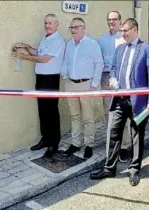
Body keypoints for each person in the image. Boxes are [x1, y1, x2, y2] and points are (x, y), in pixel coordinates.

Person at [90, 18, 149, 186]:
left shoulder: (148, 49)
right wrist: (112, 79)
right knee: (113, 133)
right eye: (121, 31)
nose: (123, 34)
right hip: (119, 100)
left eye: (125, 30)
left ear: (135, 29)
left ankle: (134, 169)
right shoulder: (120, 49)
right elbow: (113, 68)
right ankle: (109, 168)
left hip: (139, 102)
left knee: (136, 135)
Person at [13, 14, 65, 158]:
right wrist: (27, 47)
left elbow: (44, 59)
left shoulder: (58, 41)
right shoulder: (46, 38)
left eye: (50, 23)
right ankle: (46, 138)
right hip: (41, 79)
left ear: (56, 25)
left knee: (51, 111)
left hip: (51, 80)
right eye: (46, 23)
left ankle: (54, 143)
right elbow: (38, 52)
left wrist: (24, 57)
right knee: (43, 110)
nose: (47, 26)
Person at [61, 17, 103, 159]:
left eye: (76, 27)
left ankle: (89, 144)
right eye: (71, 28)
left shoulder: (92, 44)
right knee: (74, 116)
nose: (73, 30)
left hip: (86, 85)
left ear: (83, 28)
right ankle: (75, 143)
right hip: (71, 84)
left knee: (88, 117)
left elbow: (99, 64)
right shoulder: (69, 44)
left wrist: (94, 84)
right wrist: (65, 75)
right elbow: (66, 61)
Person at [98, 11, 131, 162]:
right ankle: (112, 143)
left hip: (121, 80)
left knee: (122, 111)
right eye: (109, 19)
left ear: (120, 20)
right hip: (105, 78)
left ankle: (124, 146)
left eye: (114, 19)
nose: (111, 22)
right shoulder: (102, 39)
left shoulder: (124, 38)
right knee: (108, 112)